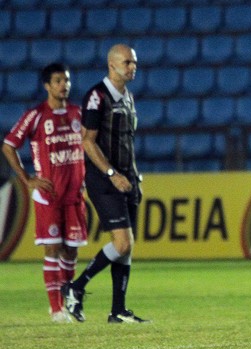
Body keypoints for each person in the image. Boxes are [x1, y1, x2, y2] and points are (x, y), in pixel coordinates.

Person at [63, 44, 149, 324]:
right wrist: (112, 173)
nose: (132, 67)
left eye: (134, 62)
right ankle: (75, 286)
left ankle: (118, 310)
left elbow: (127, 142)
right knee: (122, 243)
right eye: (127, 62)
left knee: (128, 245)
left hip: (128, 178)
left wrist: (133, 176)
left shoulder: (127, 97)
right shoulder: (97, 97)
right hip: (105, 179)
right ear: (112, 65)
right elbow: (87, 141)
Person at [2, 63, 86, 323]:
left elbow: (90, 146)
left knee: (71, 252)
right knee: (53, 248)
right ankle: (56, 308)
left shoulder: (78, 113)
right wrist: (26, 178)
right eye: (59, 81)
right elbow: (8, 145)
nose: (65, 85)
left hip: (74, 195)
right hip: (48, 196)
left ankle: (68, 302)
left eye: (67, 80)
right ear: (47, 86)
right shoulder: (36, 115)